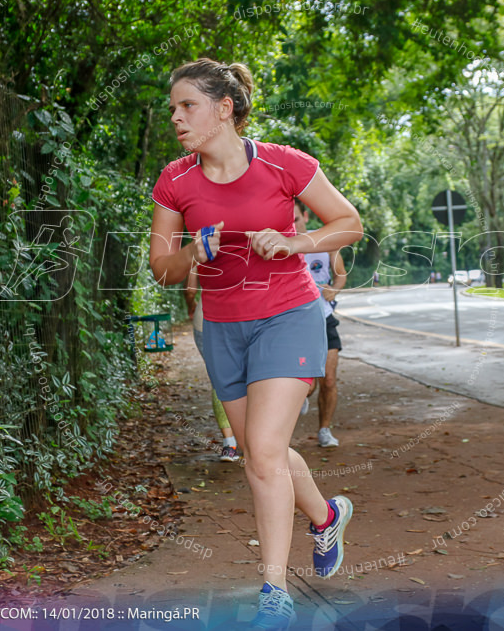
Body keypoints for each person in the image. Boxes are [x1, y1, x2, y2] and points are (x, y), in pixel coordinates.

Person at [148, 58, 363, 630]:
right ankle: (325, 516)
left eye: (186, 105)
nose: (176, 116)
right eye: (172, 107)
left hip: (289, 316)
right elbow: (160, 270)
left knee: (263, 454)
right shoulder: (175, 181)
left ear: (224, 109)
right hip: (223, 327)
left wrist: (296, 241)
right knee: (259, 453)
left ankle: (273, 589)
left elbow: (348, 223)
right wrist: (193, 252)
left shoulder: (281, 163)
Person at [294, 201, 346, 448]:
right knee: (307, 385)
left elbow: (341, 274)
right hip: (294, 323)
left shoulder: (325, 241)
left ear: (304, 216)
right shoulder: (278, 246)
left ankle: (325, 430)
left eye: (295, 219)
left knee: (329, 380)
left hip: (324, 318)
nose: (293, 226)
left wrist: (334, 290)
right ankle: (299, 399)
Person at [185, 268, 241, 462]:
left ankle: (230, 444)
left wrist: (191, 306)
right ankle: (255, 438)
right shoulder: (253, 237)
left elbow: (191, 290)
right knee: (252, 375)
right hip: (248, 313)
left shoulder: (201, 241)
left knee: (220, 379)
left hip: (206, 315)